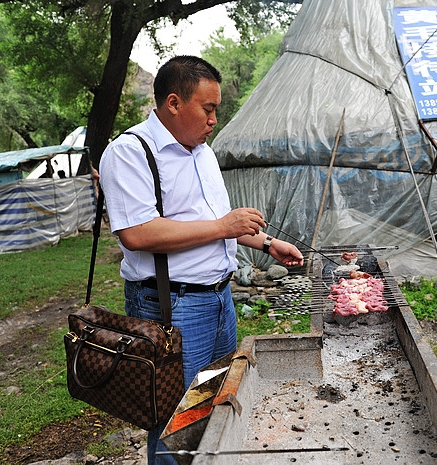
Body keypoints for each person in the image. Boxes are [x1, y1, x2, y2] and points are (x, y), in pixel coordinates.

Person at [98, 55, 304, 464]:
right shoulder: (129, 152)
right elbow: (137, 234)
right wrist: (227, 227)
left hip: (218, 301)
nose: (213, 120)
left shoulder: (202, 153)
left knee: (210, 399)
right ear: (174, 103)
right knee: (175, 419)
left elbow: (210, 223)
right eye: (207, 109)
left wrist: (265, 243)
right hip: (170, 307)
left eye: (216, 111)